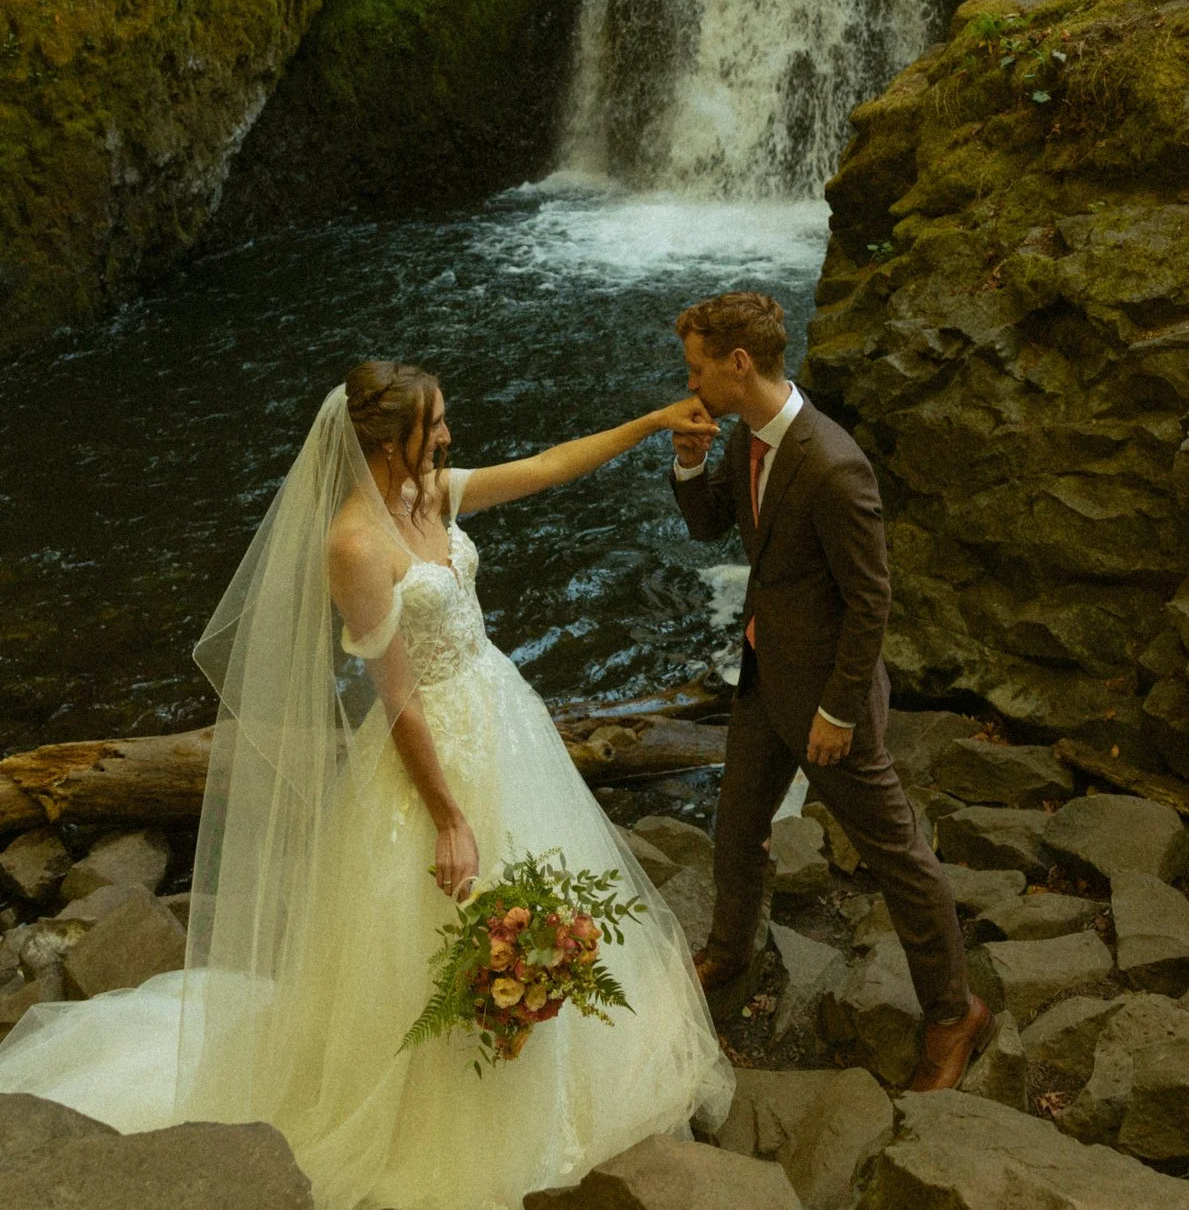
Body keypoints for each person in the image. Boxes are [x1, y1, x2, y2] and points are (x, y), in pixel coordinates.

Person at [0, 362, 734, 1207]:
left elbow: (547, 467)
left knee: (540, 893)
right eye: (436, 425)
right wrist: (450, 818)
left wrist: (648, 423)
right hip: (430, 754)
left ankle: (548, 1072)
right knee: (438, 930)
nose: (449, 437)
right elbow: (400, 698)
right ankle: (446, 1114)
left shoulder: (429, 494)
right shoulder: (354, 544)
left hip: (498, 711)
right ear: (386, 442)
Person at [669, 290, 995, 1093]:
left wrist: (838, 711)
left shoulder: (833, 464)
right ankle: (729, 950)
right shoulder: (746, 433)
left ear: (738, 365)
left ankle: (953, 1014)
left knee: (898, 857)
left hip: (826, 704)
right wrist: (687, 460)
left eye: (698, 370)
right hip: (762, 675)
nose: (691, 384)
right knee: (737, 824)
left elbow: (870, 601)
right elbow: (712, 523)